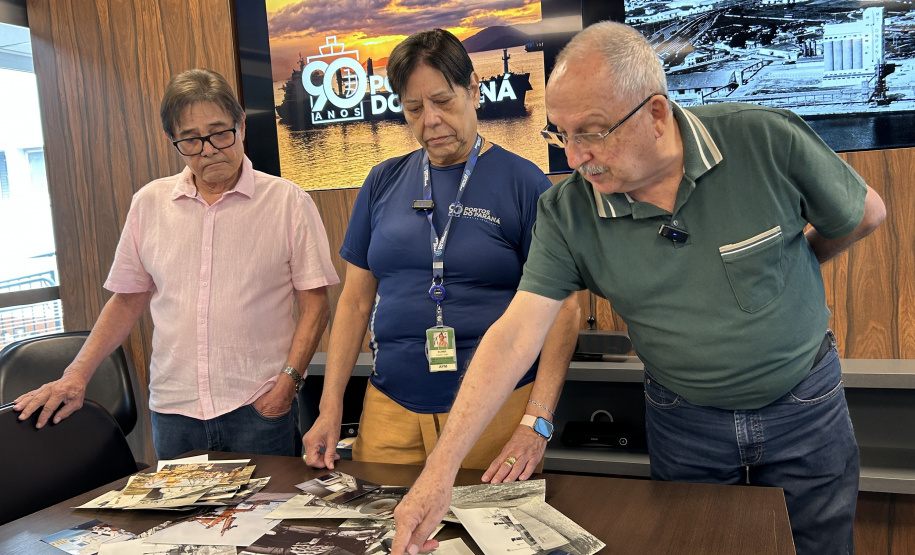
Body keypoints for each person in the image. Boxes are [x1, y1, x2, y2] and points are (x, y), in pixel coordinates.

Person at [391, 21, 887, 555]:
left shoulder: (764, 137)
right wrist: (438, 474)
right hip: (685, 423)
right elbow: (514, 335)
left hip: (805, 407)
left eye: (593, 131)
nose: (575, 156)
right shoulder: (567, 213)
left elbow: (864, 215)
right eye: (561, 133)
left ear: (655, 113)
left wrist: (796, 266)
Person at [13, 68, 340, 459]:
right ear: (173, 141)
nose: (209, 149)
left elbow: (316, 305)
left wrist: (286, 386)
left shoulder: (288, 202)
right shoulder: (149, 203)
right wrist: (76, 375)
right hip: (174, 414)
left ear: (240, 126)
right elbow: (127, 300)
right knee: (178, 521)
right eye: (190, 140)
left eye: (220, 132)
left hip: (258, 408)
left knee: (269, 519)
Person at [301, 29, 580, 480]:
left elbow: (565, 309)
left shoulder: (523, 182)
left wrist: (537, 422)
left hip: (496, 410)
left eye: (443, 101)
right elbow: (354, 301)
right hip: (389, 407)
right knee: (386, 538)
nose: (430, 120)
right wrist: (330, 408)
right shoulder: (381, 181)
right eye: (413, 108)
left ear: (473, 90)